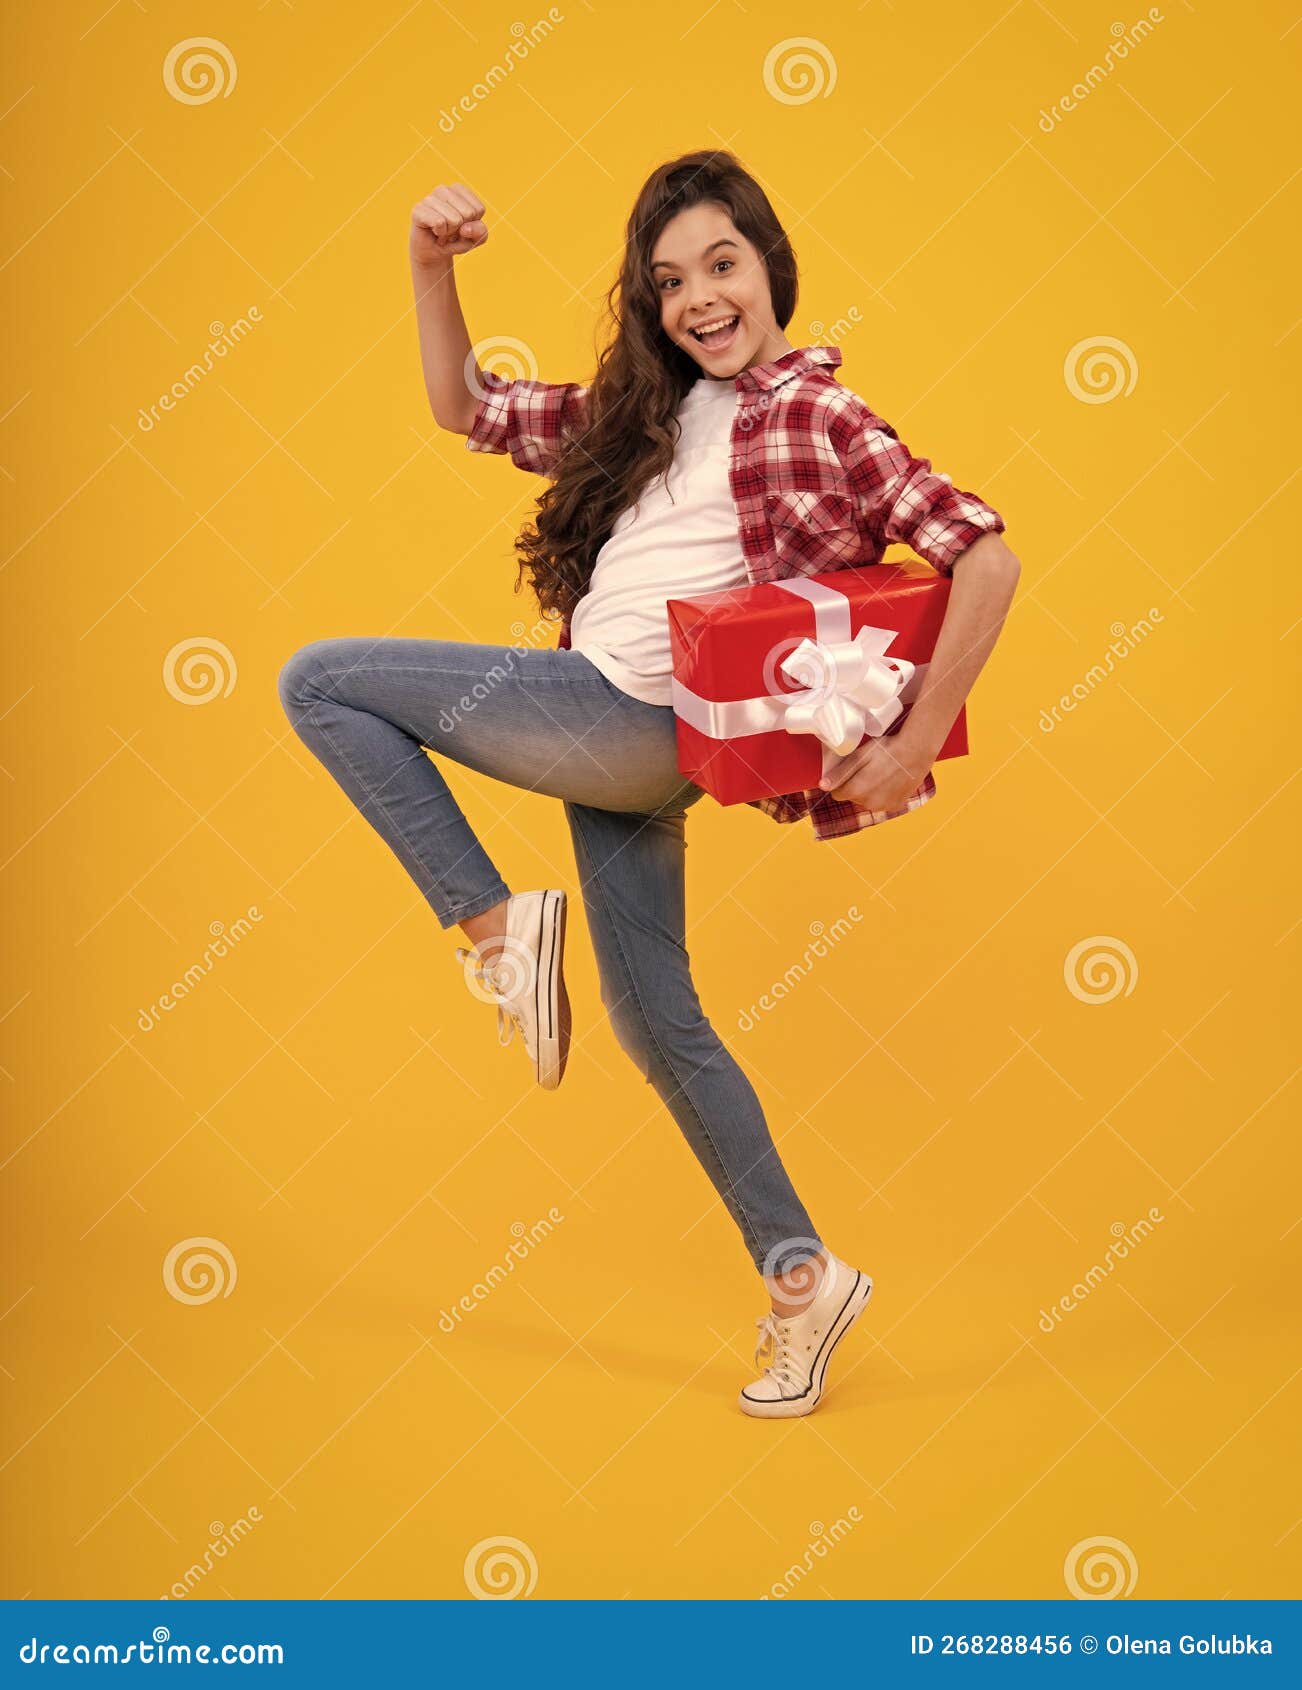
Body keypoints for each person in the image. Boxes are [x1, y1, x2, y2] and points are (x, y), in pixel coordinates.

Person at [277, 149, 1020, 1418]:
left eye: (722, 265)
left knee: (321, 679)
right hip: (614, 747)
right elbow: (467, 409)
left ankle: (496, 929)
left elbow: (984, 555)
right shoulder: (643, 411)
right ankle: (804, 1277)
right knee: (653, 1021)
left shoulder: (818, 416)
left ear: (769, 268)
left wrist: (908, 745)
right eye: (670, 280)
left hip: (628, 717)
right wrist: (427, 265)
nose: (700, 299)